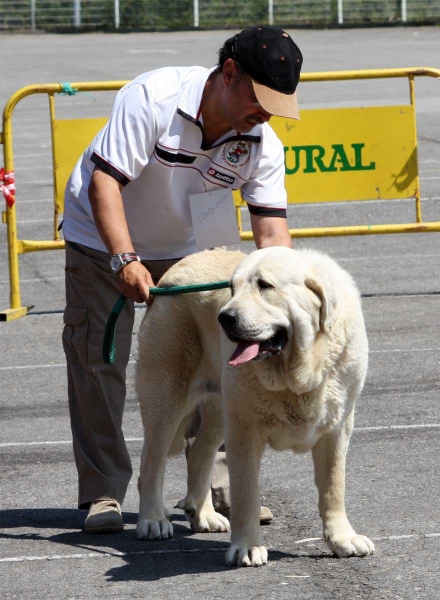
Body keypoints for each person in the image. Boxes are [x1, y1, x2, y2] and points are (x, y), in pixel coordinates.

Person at [62, 25, 303, 533]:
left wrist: (287, 301)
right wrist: (124, 258)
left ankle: (212, 489)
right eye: (260, 100)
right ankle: (104, 492)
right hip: (102, 233)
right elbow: (105, 179)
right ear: (230, 73)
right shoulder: (154, 96)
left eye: (276, 107)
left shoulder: (262, 139)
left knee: (222, 355)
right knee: (98, 356)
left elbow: (272, 234)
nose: (264, 115)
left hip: (193, 248)